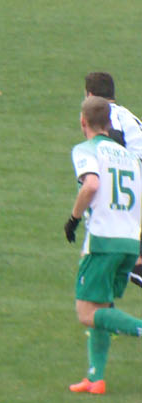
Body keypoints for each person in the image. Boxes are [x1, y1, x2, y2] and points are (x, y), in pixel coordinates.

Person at [62, 95, 142, 395]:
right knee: (102, 306)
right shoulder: (131, 157)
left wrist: (73, 218)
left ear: (83, 122)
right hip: (130, 242)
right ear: (110, 122)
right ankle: (96, 378)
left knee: (86, 312)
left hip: (103, 241)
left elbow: (92, 184)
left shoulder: (86, 150)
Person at [83, 72, 142, 290]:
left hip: (134, 192)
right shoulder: (129, 117)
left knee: (128, 263)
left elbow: (115, 145)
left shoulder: (109, 119)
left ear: (90, 95)